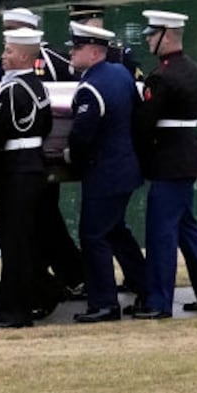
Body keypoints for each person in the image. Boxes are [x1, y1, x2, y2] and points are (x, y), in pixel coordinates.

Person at [132, 10, 197, 318]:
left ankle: (159, 302)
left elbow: (145, 124)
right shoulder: (194, 70)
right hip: (188, 156)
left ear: (168, 35)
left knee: (161, 233)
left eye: (153, 33)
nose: (148, 38)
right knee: (187, 228)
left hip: (169, 161)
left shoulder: (161, 77)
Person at [3, 6, 85, 308]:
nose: (6, 35)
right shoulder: (7, 59)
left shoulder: (55, 63)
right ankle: (63, 275)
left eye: (12, 29)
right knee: (39, 221)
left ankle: (63, 276)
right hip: (30, 157)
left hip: (41, 157)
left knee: (41, 220)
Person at [66, 21, 148, 323]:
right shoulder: (119, 73)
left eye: (77, 48)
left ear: (95, 51)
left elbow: (81, 136)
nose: (72, 53)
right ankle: (146, 287)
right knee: (116, 231)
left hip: (105, 173)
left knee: (93, 236)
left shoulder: (91, 87)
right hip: (126, 168)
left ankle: (104, 303)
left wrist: (69, 158)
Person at [0, 26, 54, 329]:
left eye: (8, 51)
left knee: (13, 242)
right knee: (26, 239)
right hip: (34, 165)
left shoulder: (11, 90)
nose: (3, 56)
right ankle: (40, 294)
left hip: (17, 169)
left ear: (23, 55)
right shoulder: (40, 86)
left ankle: (15, 311)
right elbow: (47, 125)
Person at [67, 3, 143, 79]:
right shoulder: (74, 54)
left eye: (81, 24)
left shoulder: (119, 55)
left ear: (97, 23)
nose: (73, 29)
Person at [2, 7, 73, 80]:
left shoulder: (53, 58)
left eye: (11, 29)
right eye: (5, 30)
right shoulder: (3, 61)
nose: (5, 34)